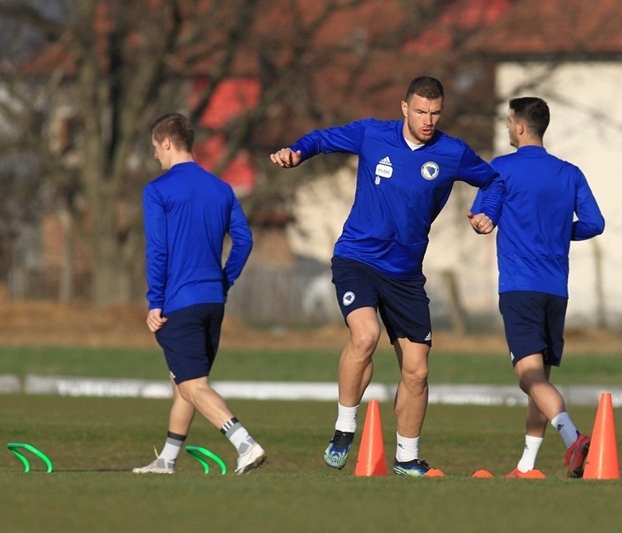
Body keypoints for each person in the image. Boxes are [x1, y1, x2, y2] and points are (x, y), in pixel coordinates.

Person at [269, 76, 504, 476]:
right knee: (365, 335)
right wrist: (297, 152)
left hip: (406, 273)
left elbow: (493, 180)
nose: (428, 120)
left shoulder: (452, 152)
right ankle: (344, 429)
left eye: (435, 113)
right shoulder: (372, 134)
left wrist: (489, 213)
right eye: (420, 111)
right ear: (404, 108)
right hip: (357, 257)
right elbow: (323, 139)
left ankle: (407, 458)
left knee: (418, 370)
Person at [471, 97, 605, 479]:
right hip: (555, 291)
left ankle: (574, 438)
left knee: (528, 376)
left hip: (520, 288)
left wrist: (481, 221)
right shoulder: (569, 173)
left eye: (509, 121)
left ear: (518, 126)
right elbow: (595, 224)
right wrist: (560, 232)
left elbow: (485, 216)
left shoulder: (502, 169)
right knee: (540, 380)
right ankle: (527, 466)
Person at [134, 113, 266, 475]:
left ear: (166, 143)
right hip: (214, 301)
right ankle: (167, 460)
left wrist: (155, 301)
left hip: (179, 302)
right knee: (184, 383)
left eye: (154, 149)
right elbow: (244, 240)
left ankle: (245, 444)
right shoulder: (221, 188)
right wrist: (226, 280)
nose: (155, 156)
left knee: (192, 385)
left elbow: (157, 249)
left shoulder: (157, 191)